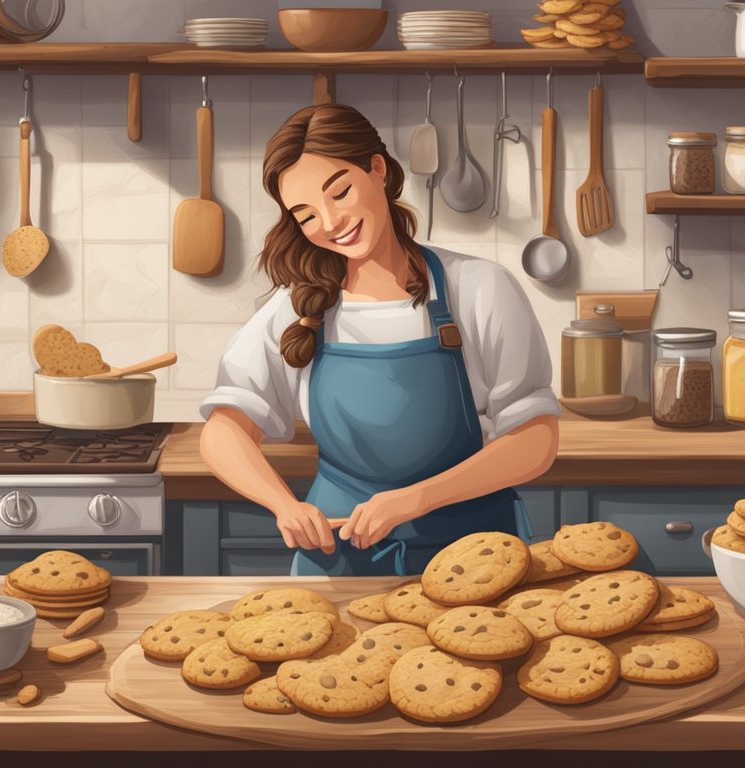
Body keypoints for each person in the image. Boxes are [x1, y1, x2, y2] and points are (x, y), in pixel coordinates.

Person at [198, 103, 560, 577]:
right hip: (337, 561)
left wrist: (418, 499)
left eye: (340, 192)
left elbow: (535, 440)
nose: (329, 223)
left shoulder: (480, 288)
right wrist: (283, 504)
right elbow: (224, 430)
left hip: (475, 562)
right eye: (306, 216)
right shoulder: (301, 307)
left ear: (378, 170)